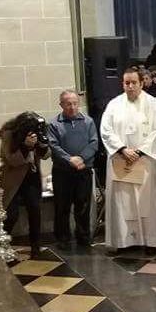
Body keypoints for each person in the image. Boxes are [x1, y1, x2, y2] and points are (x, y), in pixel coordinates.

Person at [100, 68, 156, 252]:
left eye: (133, 83)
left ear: (141, 83)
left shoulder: (153, 104)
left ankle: (149, 241)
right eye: (126, 83)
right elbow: (106, 130)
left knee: (147, 201)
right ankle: (124, 241)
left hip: (145, 162)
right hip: (121, 160)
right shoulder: (114, 104)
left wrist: (141, 151)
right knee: (123, 201)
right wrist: (122, 149)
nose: (130, 86)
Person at [49, 91, 97, 249]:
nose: (72, 107)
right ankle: (63, 238)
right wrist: (70, 159)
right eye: (68, 104)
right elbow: (54, 146)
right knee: (62, 206)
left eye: (75, 103)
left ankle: (83, 236)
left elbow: (93, 143)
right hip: (63, 172)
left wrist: (81, 158)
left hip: (83, 170)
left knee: (83, 205)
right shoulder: (54, 124)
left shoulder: (88, 121)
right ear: (61, 105)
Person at [0, 112, 51, 258]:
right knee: (11, 214)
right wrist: (26, 146)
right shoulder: (9, 134)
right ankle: (2, 243)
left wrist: (42, 143)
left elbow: (46, 155)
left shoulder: (38, 132)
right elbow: (12, 160)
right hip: (13, 180)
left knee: (35, 210)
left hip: (31, 177)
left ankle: (35, 246)